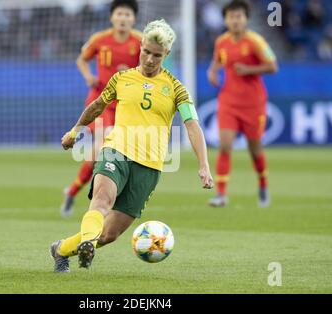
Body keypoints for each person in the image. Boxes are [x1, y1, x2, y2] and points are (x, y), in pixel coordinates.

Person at [51, 19, 214, 272]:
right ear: (141, 46)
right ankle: (87, 245)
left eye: (157, 55)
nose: (150, 59)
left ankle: (61, 249)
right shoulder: (121, 79)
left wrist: (204, 165)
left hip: (149, 166)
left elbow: (192, 125)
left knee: (108, 235)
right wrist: (75, 132)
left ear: (166, 54)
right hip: (116, 150)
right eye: (146, 52)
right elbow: (96, 107)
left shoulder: (177, 89)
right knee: (101, 202)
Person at [61, 0, 142, 217]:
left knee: (102, 155)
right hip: (101, 102)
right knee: (104, 145)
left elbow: (150, 68)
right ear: (112, 17)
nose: (123, 18)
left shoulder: (140, 42)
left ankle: (72, 191)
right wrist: (89, 76)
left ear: (133, 19)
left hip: (126, 105)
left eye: (127, 15)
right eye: (119, 14)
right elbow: (82, 59)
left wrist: (134, 72)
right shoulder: (100, 39)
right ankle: (100, 200)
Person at [207, 0, 278, 208]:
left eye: (239, 16)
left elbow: (273, 66)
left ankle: (263, 184)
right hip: (228, 100)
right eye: (231, 16)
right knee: (225, 145)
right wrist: (212, 72)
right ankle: (221, 194)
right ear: (225, 19)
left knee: (254, 149)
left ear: (246, 19)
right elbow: (217, 62)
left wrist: (249, 71)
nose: (235, 20)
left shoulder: (256, 41)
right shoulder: (222, 41)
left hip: (253, 103)